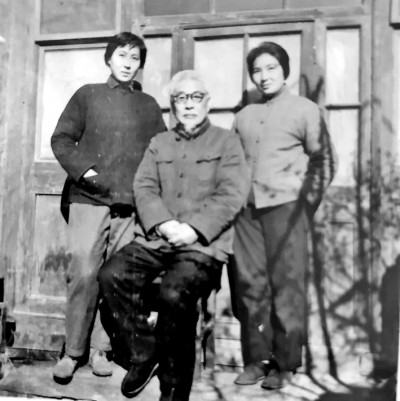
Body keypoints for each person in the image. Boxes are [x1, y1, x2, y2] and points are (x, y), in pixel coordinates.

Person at [98, 70, 249, 400]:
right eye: (181, 98)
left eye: (196, 97)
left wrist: (194, 229)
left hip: (203, 246)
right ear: (173, 105)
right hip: (157, 239)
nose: (189, 104)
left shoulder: (227, 143)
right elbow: (144, 186)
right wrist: (164, 223)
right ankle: (144, 353)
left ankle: (174, 387)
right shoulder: (159, 143)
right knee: (112, 275)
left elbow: (232, 194)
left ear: (207, 103)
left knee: (174, 294)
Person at [51, 32, 166, 383]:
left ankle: (101, 350)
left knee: (114, 278)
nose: (128, 63)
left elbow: (161, 151)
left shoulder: (148, 105)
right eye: (121, 55)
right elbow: (62, 139)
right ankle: (73, 352)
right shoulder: (88, 95)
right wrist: (87, 173)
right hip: (89, 198)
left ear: (140, 64)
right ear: (108, 59)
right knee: (84, 273)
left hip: (129, 206)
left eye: (135, 57)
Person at [230, 42, 338, 389]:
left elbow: (324, 161)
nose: (264, 76)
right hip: (247, 213)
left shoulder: (305, 110)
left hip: (286, 210)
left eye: (271, 68)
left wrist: (304, 205)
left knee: (287, 286)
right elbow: (232, 163)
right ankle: (257, 359)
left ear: (284, 71)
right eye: (257, 70)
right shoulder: (244, 116)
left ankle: (286, 363)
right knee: (251, 285)